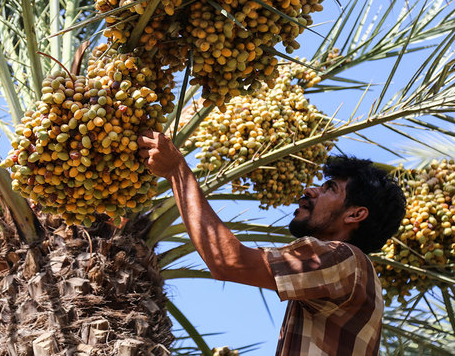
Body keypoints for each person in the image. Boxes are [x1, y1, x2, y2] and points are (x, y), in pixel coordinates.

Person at [137, 131, 406, 355]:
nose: (310, 190)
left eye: (329, 188)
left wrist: (176, 171)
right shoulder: (344, 276)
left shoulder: (343, 259)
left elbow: (228, 261)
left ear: (355, 214)